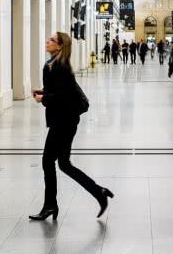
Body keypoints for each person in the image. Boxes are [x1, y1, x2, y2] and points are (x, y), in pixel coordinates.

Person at [30, 32, 113, 221]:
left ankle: (50, 205)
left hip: (63, 121)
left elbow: (63, 97)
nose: (48, 41)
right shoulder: (56, 65)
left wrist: (43, 98)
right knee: (64, 164)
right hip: (66, 120)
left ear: (60, 46)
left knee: (48, 161)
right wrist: (44, 92)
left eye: (52, 40)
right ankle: (98, 192)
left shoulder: (58, 67)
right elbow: (61, 91)